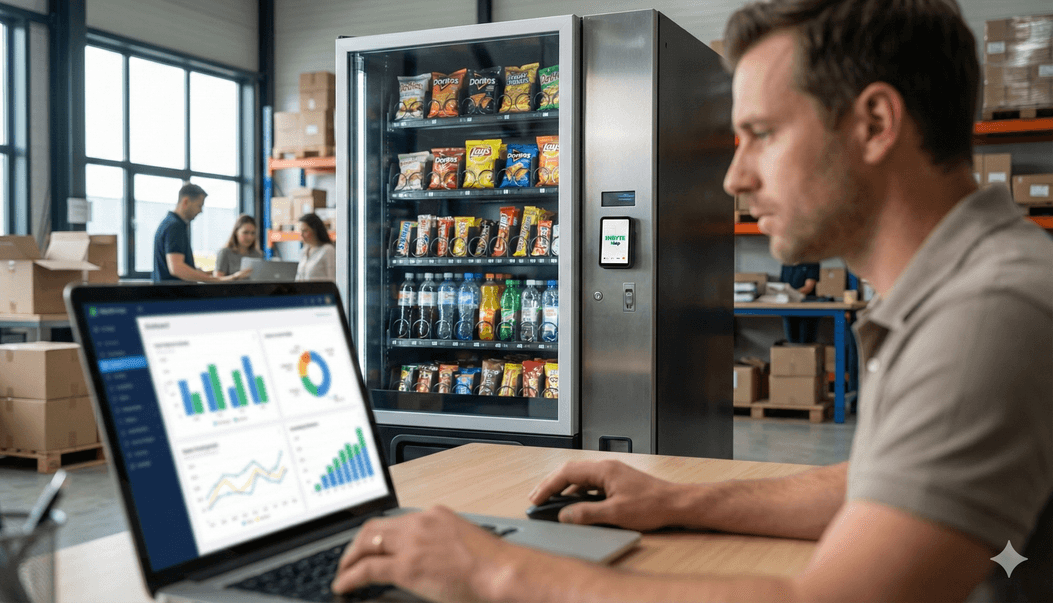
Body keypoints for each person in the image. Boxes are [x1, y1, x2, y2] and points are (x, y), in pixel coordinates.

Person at [332, 1, 1052, 602]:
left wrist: (496, 569)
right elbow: (880, 484)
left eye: (761, 135)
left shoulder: (985, 313)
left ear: (874, 123)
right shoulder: (964, 283)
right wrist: (676, 500)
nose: (734, 176)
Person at [152, 183, 249, 283]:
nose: (200, 211)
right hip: (174, 296)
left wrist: (202, 273)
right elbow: (177, 268)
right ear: (186, 201)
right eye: (199, 205)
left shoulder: (168, 223)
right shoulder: (175, 226)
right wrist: (214, 280)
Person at [780, 261, 820, 343]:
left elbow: (809, 287)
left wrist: (793, 294)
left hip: (807, 309)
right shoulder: (786, 264)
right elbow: (782, 286)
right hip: (788, 308)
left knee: (806, 342)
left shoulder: (812, 263)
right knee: (791, 342)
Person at [296, 213, 336, 281]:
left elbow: (333, 279)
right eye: (300, 231)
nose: (301, 235)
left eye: (305, 231)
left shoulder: (328, 250)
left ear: (315, 230)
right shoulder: (304, 251)